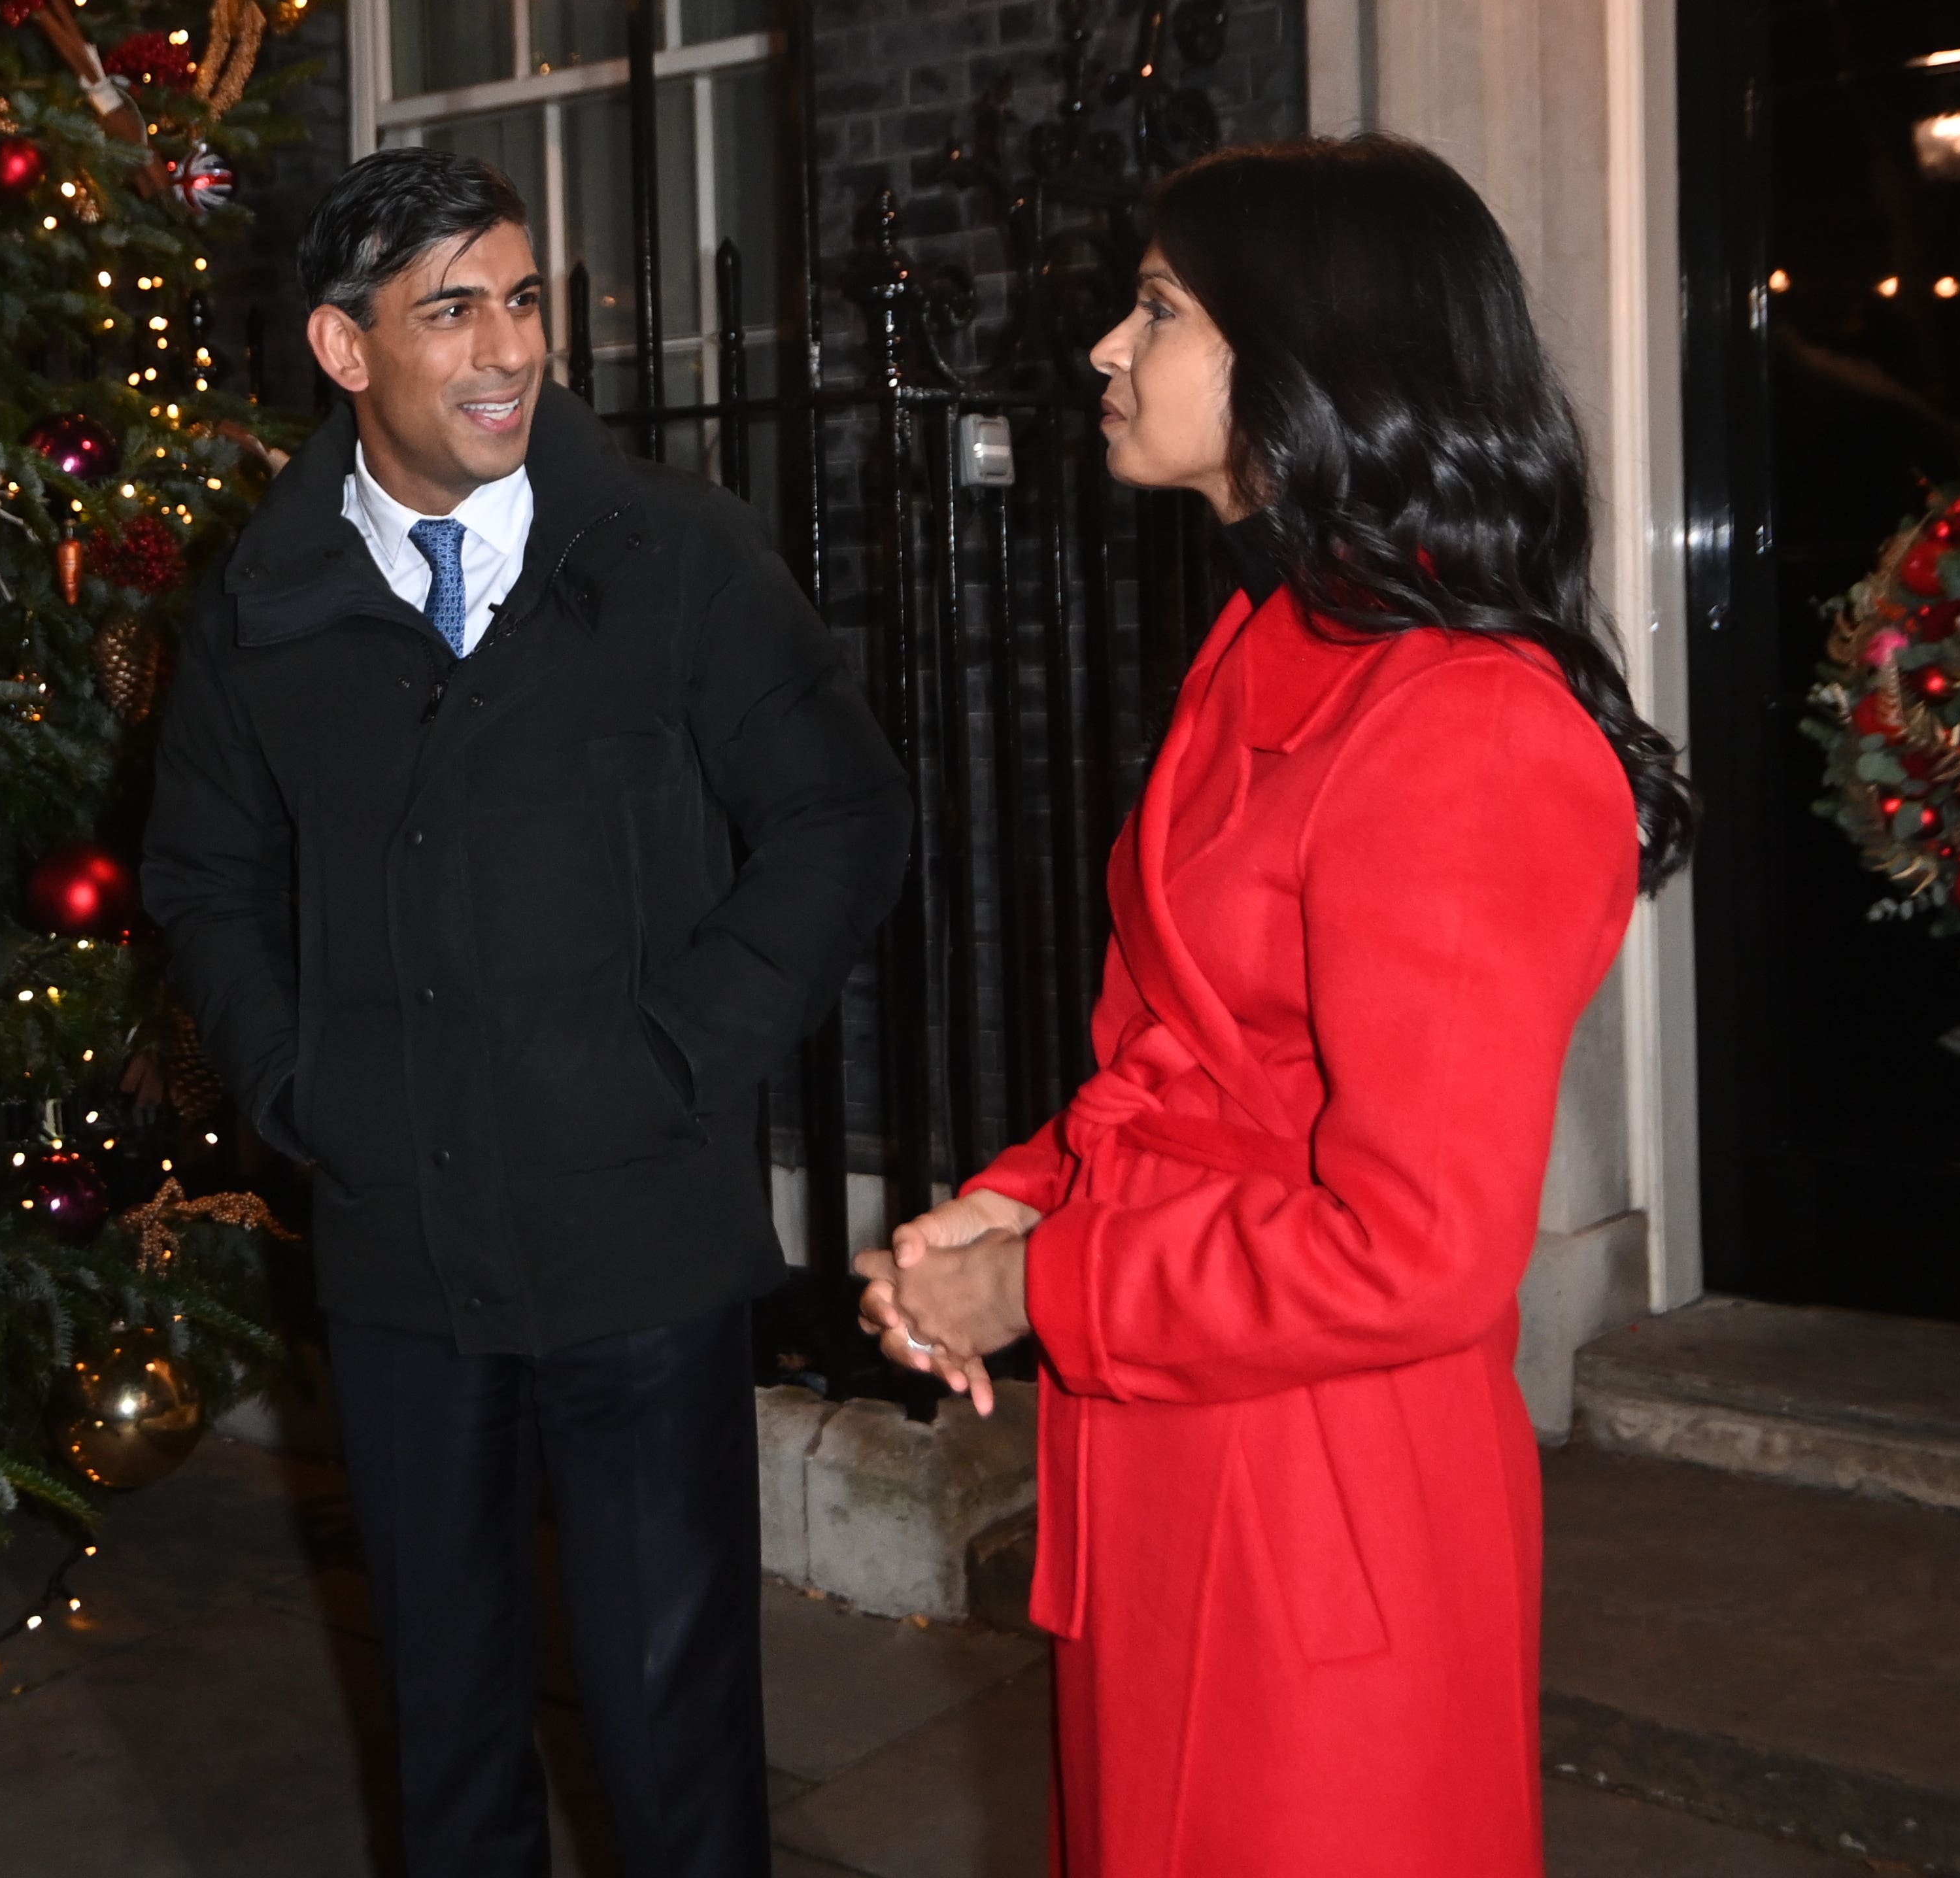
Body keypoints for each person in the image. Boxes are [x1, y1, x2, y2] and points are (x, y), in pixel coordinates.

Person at [858, 135, 1693, 1878]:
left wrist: (1045, 1282)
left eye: (1157, 309)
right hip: (1175, 1451)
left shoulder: (1463, 727)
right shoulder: (1276, 643)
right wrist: (1023, 1191)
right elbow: (1194, 1052)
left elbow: (1416, 1247)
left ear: (1309, 360)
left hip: (1323, 1508)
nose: (1105, 348)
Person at [144, 146, 908, 1878]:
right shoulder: (264, 602)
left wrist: (676, 1054)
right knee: (449, 1727)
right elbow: (201, 875)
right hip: (402, 1256)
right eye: (452, 311)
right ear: (345, 353)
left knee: (672, 1730)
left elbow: (843, 818)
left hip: (639, 1242)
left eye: (524, 299)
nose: (507, 352)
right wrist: (300, 1081)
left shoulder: (675, 555)